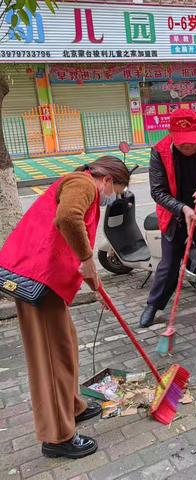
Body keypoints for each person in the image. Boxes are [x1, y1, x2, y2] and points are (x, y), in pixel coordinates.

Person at [0, 157, 130, 458]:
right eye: (117, 191)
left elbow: (69, 243)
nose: (112, 198)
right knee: (50, 358)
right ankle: (57, 436)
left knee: (65, 347)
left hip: (47, 282)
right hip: (37, 281)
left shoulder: (79, 183)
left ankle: (72, 405)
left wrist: (94, 285)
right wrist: (87, 261)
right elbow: (68, 219)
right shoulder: (83, 183)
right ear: (108, 180)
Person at [139, 109, 196, 331]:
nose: (187, 147)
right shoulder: (159, 151)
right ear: (171, 136)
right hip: (174, 214)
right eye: (182, 144)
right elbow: (157, 191)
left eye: (191, 142)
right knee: (169, 263)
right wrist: (182, 209)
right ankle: (154, 305)